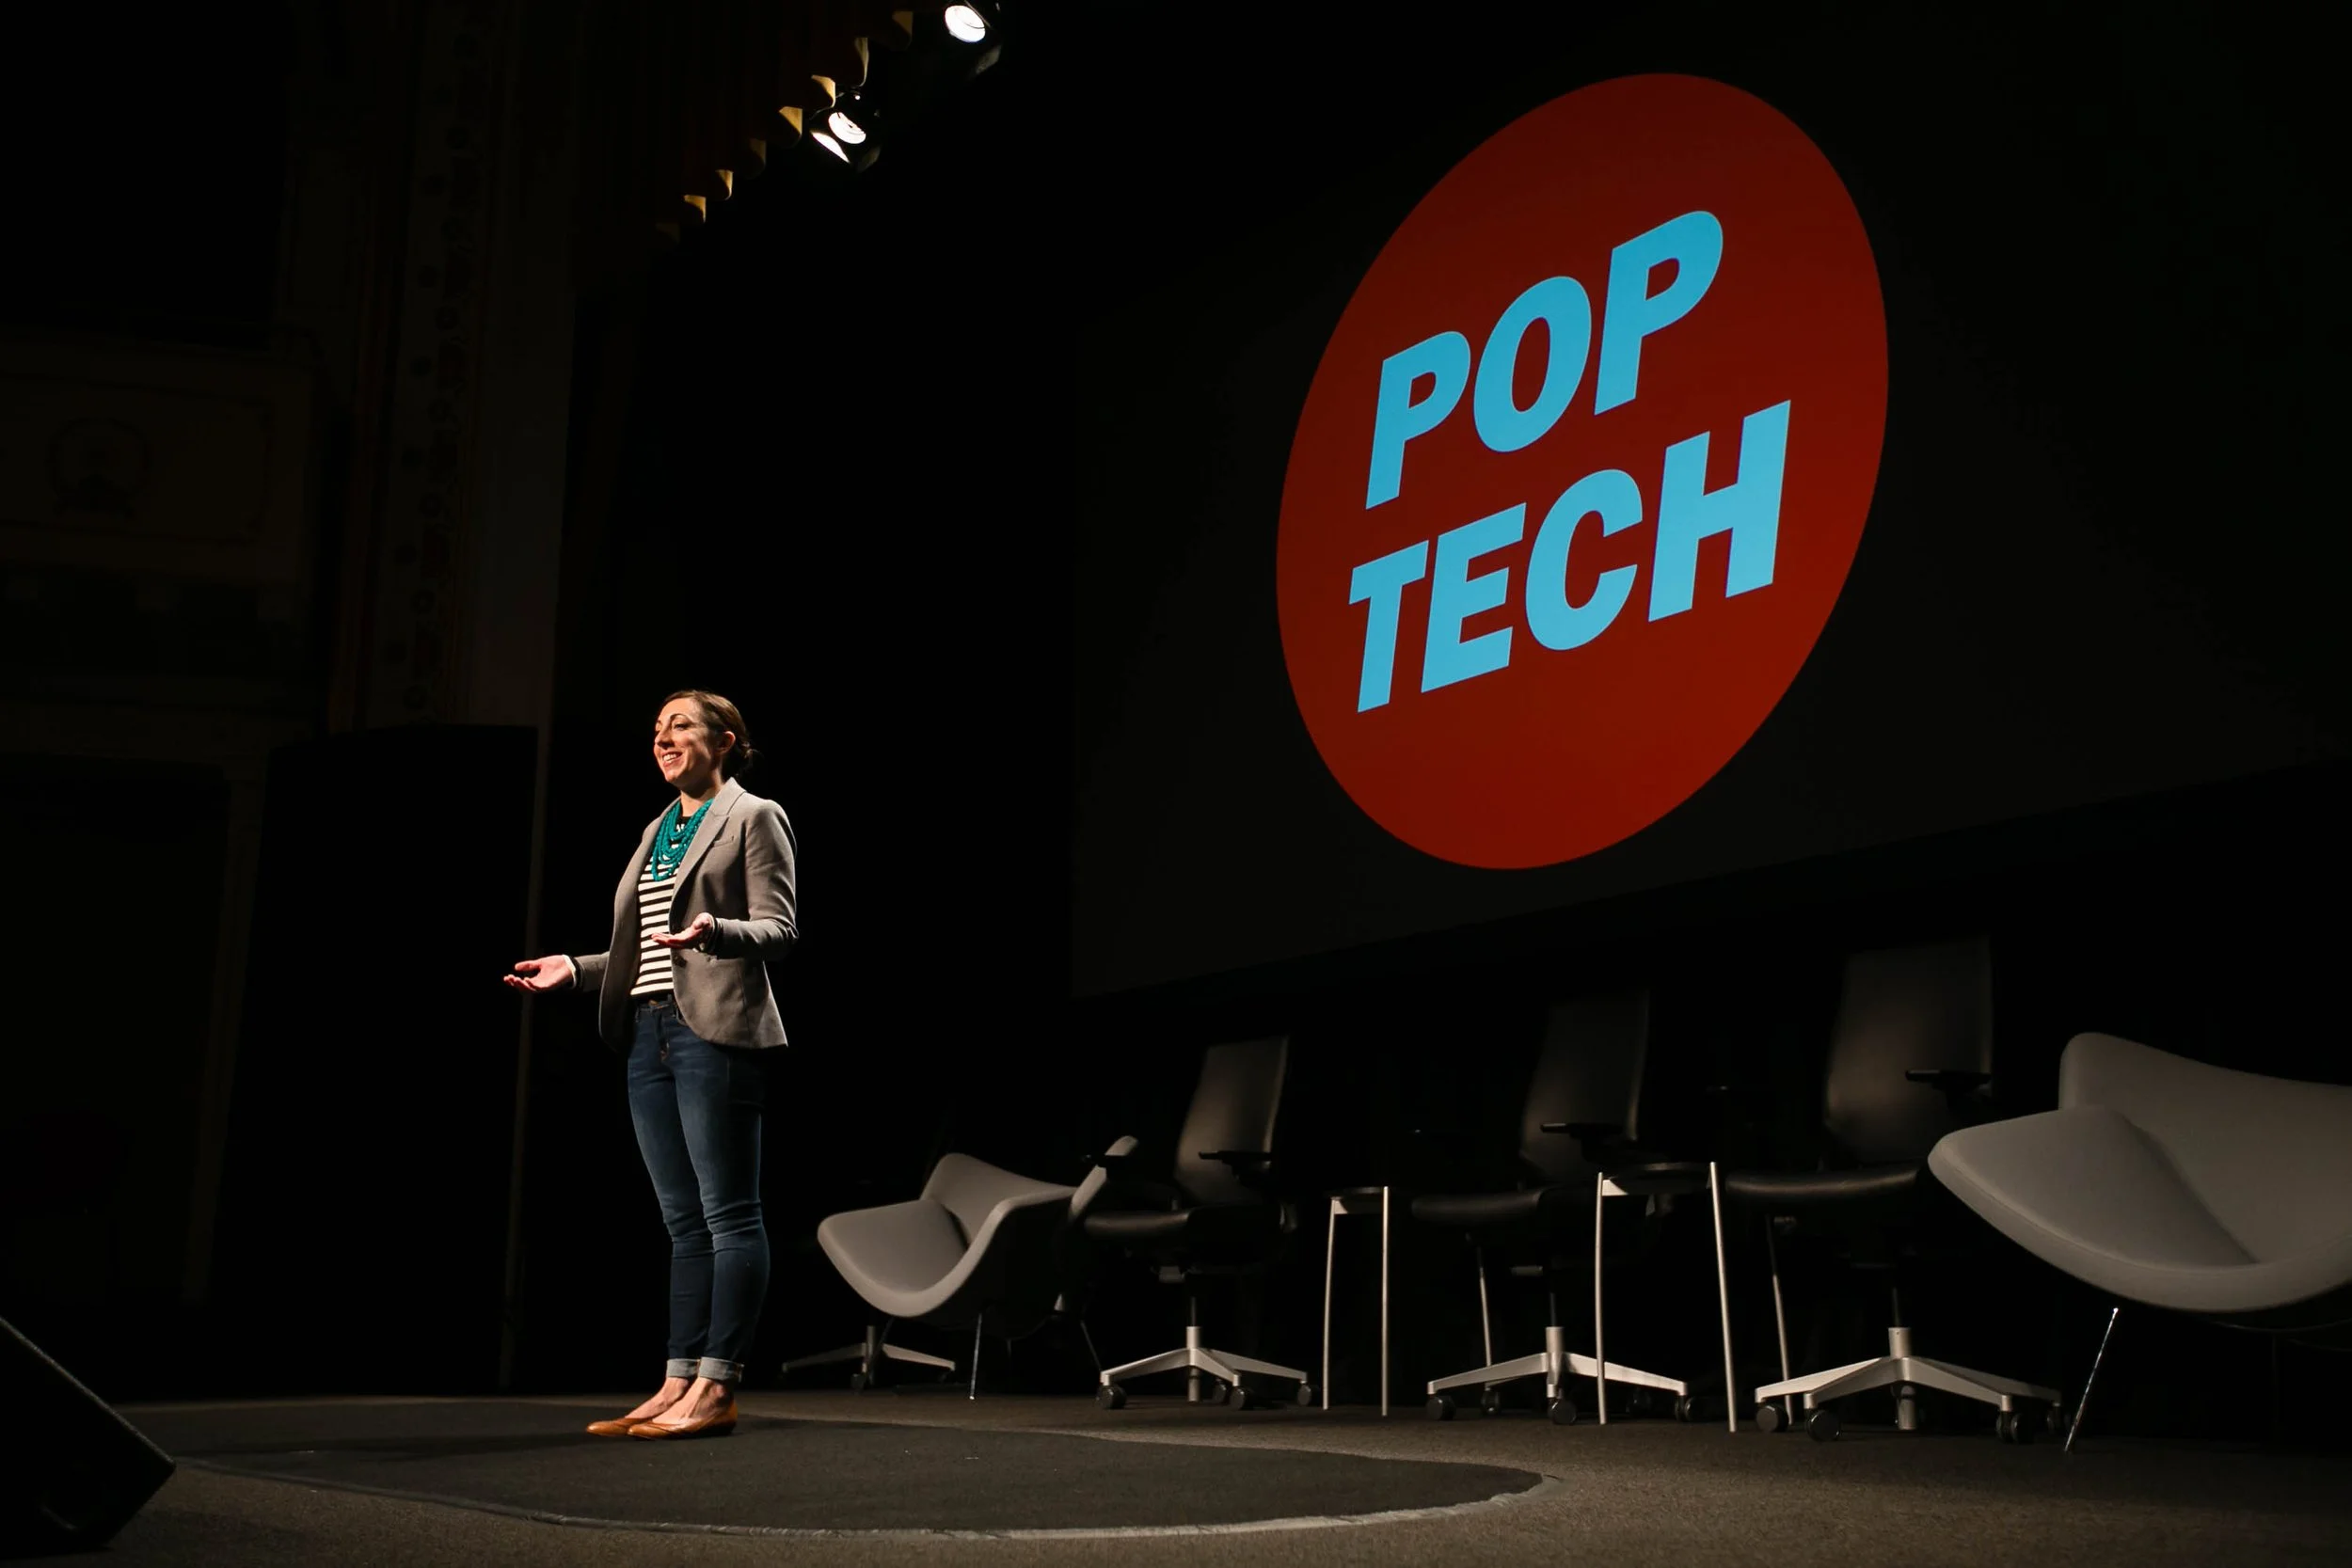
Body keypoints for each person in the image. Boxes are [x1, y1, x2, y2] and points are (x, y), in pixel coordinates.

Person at [506, 689, 798, 1439]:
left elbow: (779, 926)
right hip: (648, 1033)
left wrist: (717, 930)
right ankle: (676, 1379)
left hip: (716, 1033)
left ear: (725, 740)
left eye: (682, 725)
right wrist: (574, 968)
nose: (664, 738)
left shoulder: (753, 815)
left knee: (730, 1214)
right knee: (681, 1221)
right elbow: (640, 951)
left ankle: (720, 1382)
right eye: (658, 729)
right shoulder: (658, 827)